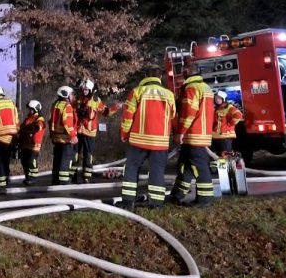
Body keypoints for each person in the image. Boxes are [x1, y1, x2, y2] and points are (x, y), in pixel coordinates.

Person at [118, 67, 176, 210]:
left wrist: (124, 134)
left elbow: (128, 116)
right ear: (160, 77)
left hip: (138, 140)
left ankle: (128, 202)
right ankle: (156, 204)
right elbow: (173, 116)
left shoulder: (137, 91)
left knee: (132, 168)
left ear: (145, 76)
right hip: (160, 142)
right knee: (157, 171)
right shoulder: (169, 94)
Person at [169, 63, 215, 207]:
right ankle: (177, 194)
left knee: (200, 167)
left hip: (193, 134)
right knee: (186, 165)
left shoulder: (191, 88)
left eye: (183, 71)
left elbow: (189, 113)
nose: (182, 74)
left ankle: (205, 200)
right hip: (200, 134)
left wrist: (180, 132)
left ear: (188, 72)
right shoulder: (205, 88)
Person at [73, 79, 121, 183]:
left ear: (90, 90)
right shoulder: (78, 99)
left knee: (88, 155)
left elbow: (106, 112)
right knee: (75, 154)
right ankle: (73, 176)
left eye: (86, 90)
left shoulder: (96, 101)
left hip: (90, 132)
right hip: (78, 131)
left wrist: (115, 107)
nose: (84, 91)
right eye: (83, 89)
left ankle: (86, 177)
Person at [50, 86, 78, 185]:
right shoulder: (67, 106)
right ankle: (64, 181)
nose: (72, 96)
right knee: (65, 160)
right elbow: (68, 123)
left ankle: (55, 179)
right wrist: (73, 136)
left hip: (56, 138)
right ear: (66, 94)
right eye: (71, 94)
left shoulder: (55, 105)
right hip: (65, 138)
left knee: (57, 159)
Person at [18, 100, 45, 185]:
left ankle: (32, 177)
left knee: (31, 160)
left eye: (31, 109)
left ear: (36, 109)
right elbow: (22, 127)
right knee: (24, 160)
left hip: (34, 144)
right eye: (29, 109)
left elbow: (40, 124)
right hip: (25, 143)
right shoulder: (28, 118)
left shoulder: (39, 118)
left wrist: (36, 127)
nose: (30, 111)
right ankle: (28, 176)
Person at [211, 91, 243, 156]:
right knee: (219, 156)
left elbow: (238, 115)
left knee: (226, 156)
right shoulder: (216, 109)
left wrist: (230, 124)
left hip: (225, 137)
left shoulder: (229, 107)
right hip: (216, 137)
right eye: (216, 98)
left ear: (224, 99)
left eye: (219, 98)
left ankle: (229, 166)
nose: (217, 100)